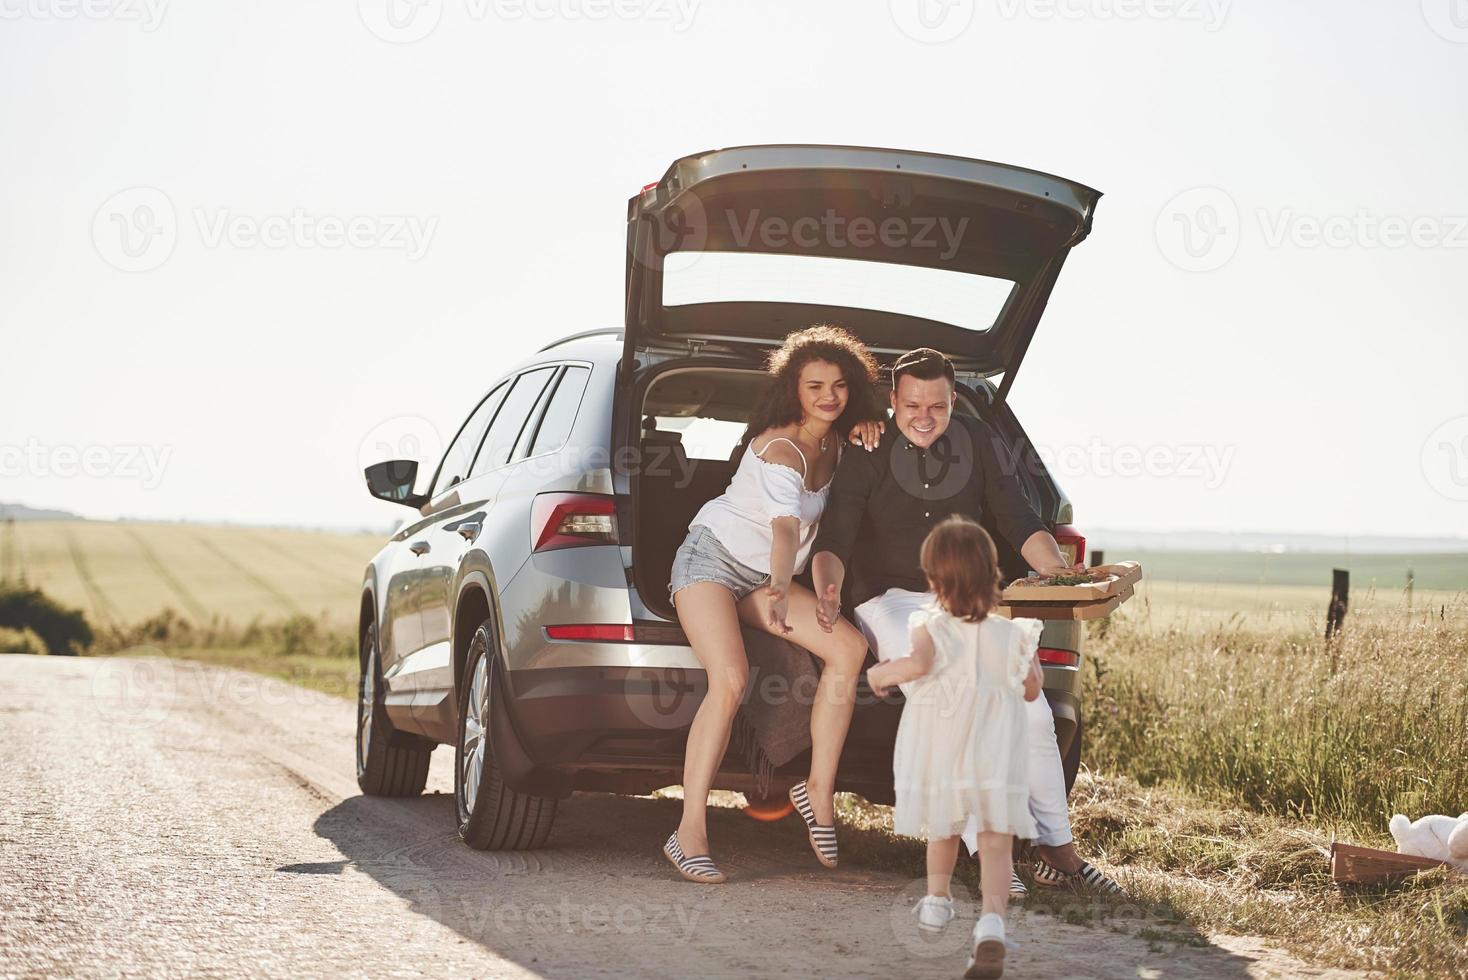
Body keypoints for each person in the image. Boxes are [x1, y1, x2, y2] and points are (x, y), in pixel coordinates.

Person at [812, 347, 1122, 896]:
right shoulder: (868, 445)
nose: (924, 416)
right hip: (888, 600)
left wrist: (1057, 572)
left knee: (1029, 707)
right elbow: (835, 537)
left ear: (954, 401)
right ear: (893, 401)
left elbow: (1019, 518)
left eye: (937, 404)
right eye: (912, 404)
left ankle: (1060, 853)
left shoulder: (980, 440)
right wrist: (829, 589)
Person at [661, 324, 886, 884]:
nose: (827, 397)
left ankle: (817, 790)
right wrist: (784, 589)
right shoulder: (780, 447)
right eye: (814, 387)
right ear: (794, 389)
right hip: (711, 564)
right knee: (731, 678)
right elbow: (786, 529)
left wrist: (869, 422)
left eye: (838, 386)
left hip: (764, 578)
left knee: (849, 649)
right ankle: (688, 832)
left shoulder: (842, 441)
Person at [867, 516, 1042, 979]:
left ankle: (937, 900)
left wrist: (881, 673)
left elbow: (919, 665)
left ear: (934, 581)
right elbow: (1030, 689)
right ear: (992, 576)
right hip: (995, 753)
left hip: (948, 750)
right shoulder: (1015, 633)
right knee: (995, 841)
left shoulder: (929, 626)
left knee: (944, 829)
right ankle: (991, 925)